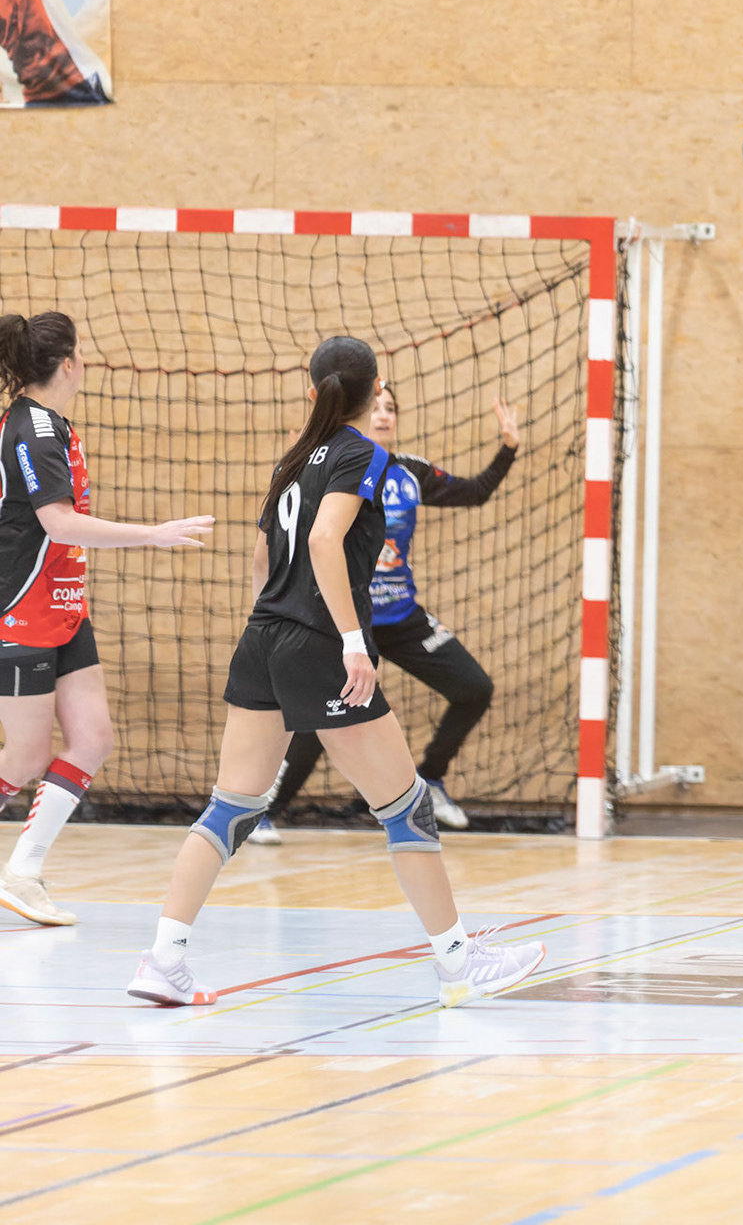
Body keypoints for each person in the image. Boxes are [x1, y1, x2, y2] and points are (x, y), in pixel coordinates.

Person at [126, 336, 544, 1008]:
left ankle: (162, 959)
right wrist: (352, 641)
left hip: (262, 637)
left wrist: (277, 625)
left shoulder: (292, 461)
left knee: (231, 807)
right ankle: (459, 964)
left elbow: (262, 559)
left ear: (312, 389)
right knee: (406, 808)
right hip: (320, 644)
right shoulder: (365, 456)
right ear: (373, 390)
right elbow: (323, 541)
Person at [0, 311, 213, 925]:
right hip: (21, 608)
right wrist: (154, 534)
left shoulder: (55, 426)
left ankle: (23, 871)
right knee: (22, 758)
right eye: (82, 353)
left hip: (64, 607)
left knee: (92, 739)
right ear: (67, 363)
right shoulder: (31, 429)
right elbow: (57, 522)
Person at [249, 383, 518, 843]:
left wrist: (508, 448)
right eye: (374, 407)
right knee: (324, 719)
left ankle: (430, 780)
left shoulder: (409, 472)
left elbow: (474, 492)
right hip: (350, 619)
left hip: (402, 616)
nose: (383, 415)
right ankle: (266, 812)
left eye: (391, 408)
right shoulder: (333, 466)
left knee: (474, 688)